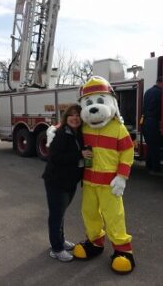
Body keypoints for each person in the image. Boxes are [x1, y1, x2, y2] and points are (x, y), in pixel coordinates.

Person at [42, 104, 92, 262]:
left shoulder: (78, 133)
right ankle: (56, 249)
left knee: (61, 213)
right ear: (66, 117)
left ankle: (60, 241)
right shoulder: (61, 133)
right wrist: (79, 154)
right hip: (56, 181)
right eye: (71, 115)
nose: (75, 118)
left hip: (70, 181)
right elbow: (55, 157)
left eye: (78, 115)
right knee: (56, 215)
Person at [141, 76, 163, 173]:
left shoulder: (147, 91)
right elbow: (161, 109)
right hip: (153, 122)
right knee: (155, 145)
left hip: (145, 121)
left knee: (150, 144)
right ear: (161, 82)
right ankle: (156, 168)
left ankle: (149, 165)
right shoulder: (160, 93)